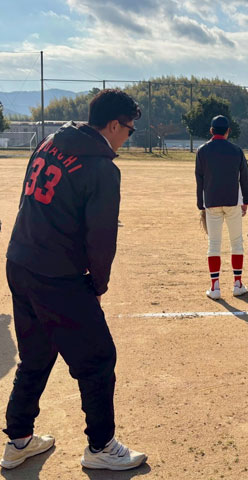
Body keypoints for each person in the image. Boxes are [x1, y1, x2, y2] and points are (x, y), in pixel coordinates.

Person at [1, 89, 147, 471]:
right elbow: (101, 239)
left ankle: (18, 439)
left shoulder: (50, 142)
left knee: (36, 354)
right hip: (56, 275)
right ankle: (101, 446)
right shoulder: (102, 168)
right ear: (113, 125)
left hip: (20, 260)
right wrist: (97, 286)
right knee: (98, 358)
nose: (127, 137)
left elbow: (27, 201)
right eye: (129, 130)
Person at [195, 115, 248, 300]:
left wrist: (200, 203)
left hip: (211, 201)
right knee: (237, 242)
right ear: (228, 131)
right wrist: (245, 200)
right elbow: (244, 177)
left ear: (211, 131)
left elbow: (199, 178)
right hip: (233, 200)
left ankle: (215, 287)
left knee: (214, 244)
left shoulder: (202, 151)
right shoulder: (236, 150)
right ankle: (237, 284)